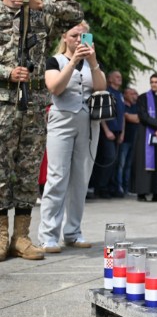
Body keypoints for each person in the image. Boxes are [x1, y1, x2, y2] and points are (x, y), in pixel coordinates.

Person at [0, 0, 83, 262]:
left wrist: (41, 3)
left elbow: (77, 13)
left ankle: (22, 237)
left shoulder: (39, 14)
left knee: (28, 169)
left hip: (34, 104)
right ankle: (1, 235)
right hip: (3, 102)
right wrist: (6, 73)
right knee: (0, 168)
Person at [38, 21, 105, 252]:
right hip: (62, 120)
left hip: (87, 122)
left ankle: (73, 232)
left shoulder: (90, 62)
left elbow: (101, 87)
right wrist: (74, 60)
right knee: (57, 177)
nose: (79, 39)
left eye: (84, 35)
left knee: (80, 179)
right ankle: (48, 235)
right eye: (75, 35)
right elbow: (55, 87)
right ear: (65, 37)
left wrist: (93, 61)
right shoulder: (54, 61)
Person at [92, 69, 125, 198]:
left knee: (115, 161)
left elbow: (122, 116)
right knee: (108, 158)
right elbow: (102, 115)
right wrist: (106, 130)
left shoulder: (120, 94)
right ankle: (101, 187)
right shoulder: (107, 93)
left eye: (120, 76)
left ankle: (111, 186)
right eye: (116, 76)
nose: (119, 78)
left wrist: (122, 133)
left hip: (118, 132)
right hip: (108, 132)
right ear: (110, 79)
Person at [134, 73, 157, 202]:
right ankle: (142, 192)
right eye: (152, 82)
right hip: (145, 134)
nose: (154, 84)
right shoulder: (143, 98)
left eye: (156, 82)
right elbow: (143, 115)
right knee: (144, 163)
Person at [118, 87, 139, 195]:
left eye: (135, 94)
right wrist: (132, 117)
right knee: (121, 165)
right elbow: (129, 118)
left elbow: (139, 118)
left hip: (134, 140)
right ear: (125, 95)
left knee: (128, 165)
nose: (134, 96)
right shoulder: (123, 106)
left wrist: (132, 117)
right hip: (125, 140)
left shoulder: (136, 106)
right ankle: (119, 187)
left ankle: (126, 188)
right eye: (131, 93)